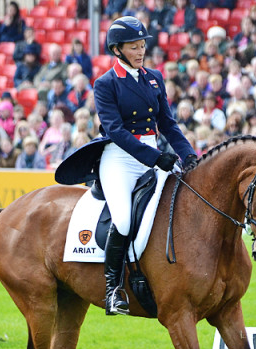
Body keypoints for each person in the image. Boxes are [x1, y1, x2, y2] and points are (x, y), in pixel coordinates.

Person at [90, 16, 196, 315]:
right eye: (133, 47)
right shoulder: (106, 84)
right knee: (123, 220)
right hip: (120, 158)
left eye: (142, 46)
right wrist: (154, 158)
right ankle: (113, 290)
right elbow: (116, 131)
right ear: (117, 50)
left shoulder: (154, 78)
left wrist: (187, 154)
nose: (140, 52)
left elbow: (167, 123)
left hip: (152, 153)